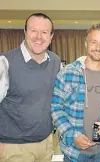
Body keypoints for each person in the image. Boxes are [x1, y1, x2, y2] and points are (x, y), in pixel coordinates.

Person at [51, 23, 100, 162]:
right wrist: (72, 135)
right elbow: (56, 108)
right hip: (74, 151)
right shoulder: (67, 73)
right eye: (94, 42)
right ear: (86, 43)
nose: (98, 47)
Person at [0, 13, 61, 162]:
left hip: (46, 143)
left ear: (51, 36)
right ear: (25, 32)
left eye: (44, 32)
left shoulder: (55, 61)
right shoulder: (5, 62)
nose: (38, 37)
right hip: (14, 147)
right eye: (33, 30)